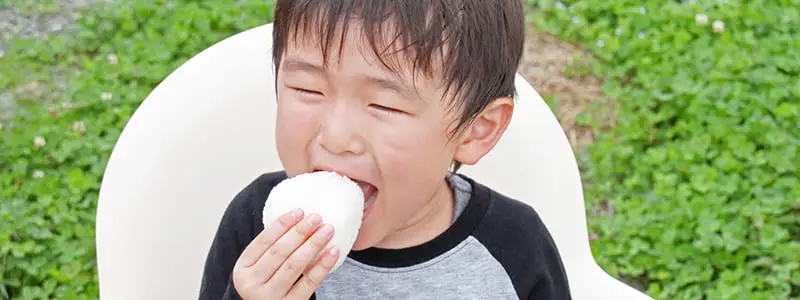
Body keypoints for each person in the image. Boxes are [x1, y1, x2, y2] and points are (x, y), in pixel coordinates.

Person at [199, 1, 571, 299]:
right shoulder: (257, 227)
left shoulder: (515, 247)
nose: (336, 136)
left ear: (475, 130)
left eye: (385, 106)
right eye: (308, 89)